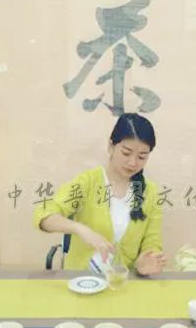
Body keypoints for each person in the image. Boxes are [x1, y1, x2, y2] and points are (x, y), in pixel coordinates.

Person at [33, 113, 166, 275]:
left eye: (142, 157)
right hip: (81, 280)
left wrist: (146, 261)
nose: (133, 162)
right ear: (111, 146)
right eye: (126, 153)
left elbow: (152, 242)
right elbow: (43, 215)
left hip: (123, 282)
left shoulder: (150, 192)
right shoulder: (88, 182)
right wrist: (80, 229)